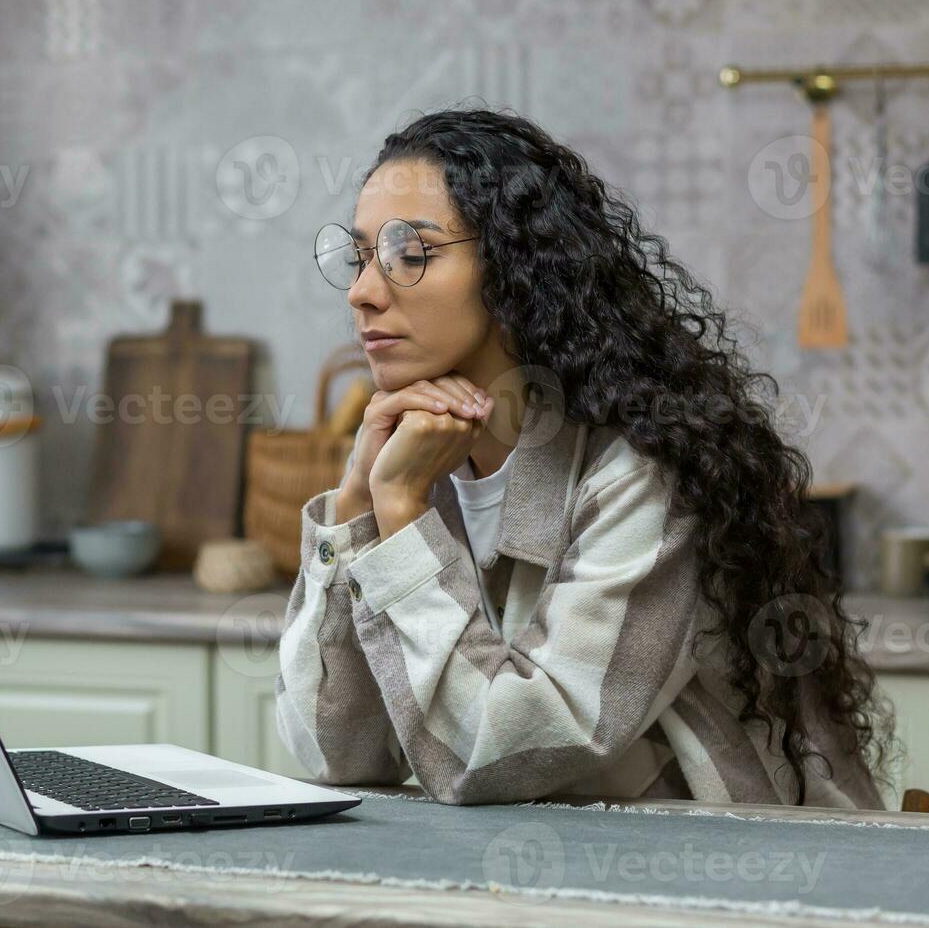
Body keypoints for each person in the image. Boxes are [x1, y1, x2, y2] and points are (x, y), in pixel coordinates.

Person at [274, 106, 893, 809]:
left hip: (728, 885)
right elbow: (337, 754)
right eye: (359, 258)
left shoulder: (643, 471)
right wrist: (356, 503)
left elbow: (501, 757)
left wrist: (403, 515)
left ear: (514, 266)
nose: (362, 292)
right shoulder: (416, 462)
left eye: (409, 255)